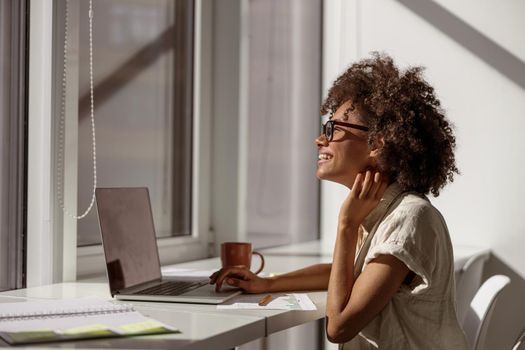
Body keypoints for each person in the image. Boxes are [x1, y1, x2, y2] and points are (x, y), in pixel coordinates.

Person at [209, 53, 469, 349]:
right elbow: (350, 274)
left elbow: (339, 326)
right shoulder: (384, 212)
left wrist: (347, 225)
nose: (320, 140)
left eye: (333, 129)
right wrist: (266, 283)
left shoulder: (409, 217)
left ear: (377, 144)